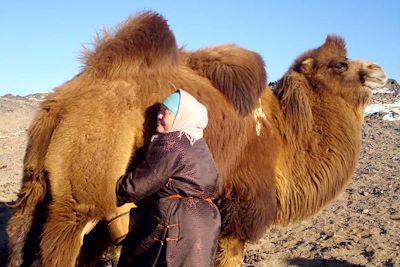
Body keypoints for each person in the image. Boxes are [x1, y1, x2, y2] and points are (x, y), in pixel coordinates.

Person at [116, 89, 221, 267]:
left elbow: (140, 184)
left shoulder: (173, 143)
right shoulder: (198, 145)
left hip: (179, 222)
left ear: (181, 117)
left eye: (167, 113)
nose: (159, 116)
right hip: (204, 224)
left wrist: (107, 191)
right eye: (160, 110)